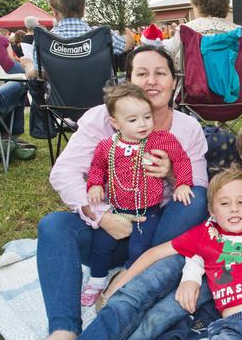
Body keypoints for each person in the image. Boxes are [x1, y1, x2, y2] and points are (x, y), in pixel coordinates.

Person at [37, 45, 208, 340]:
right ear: (129, 81)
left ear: (174, 82)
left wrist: (171, 173)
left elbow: (199, 187)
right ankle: (63, 330)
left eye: (160, 73)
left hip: (157, 232)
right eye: (142, 73)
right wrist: (103, 217)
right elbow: (62, 173)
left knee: (196, 200)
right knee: (53, 225)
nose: (152, 81)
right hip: (109, 231)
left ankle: (132, 276)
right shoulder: (101, 119)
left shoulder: (187, 128)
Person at [105, 167, 242, 340]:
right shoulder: (204, 235)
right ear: (212, 211)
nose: (234, 208)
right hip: (231, 326)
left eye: (241, 202)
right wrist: (119, 283)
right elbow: (154, 254)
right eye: (224, 203)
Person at [80, 83, 195, 306]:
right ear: (115, 123)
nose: (142, 124)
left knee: (139, 249)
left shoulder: (160, 140)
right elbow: (97, 167)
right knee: (101, 245)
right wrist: (94, 184)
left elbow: (181, 160)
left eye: (146, 117)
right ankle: (96, 281)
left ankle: (127, 278)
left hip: (148, 212)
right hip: (117, 211)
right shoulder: (107, 147)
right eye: (133, 120)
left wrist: (182, 183)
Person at [20, 0, 134, 79]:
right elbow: (128, 43)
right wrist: (128, 32)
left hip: (59, 103)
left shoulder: (43, 40)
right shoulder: (102, 35)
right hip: (100, 101)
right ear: (83, 10)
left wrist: (28, 65)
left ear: (55, 12)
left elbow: (38, 73)